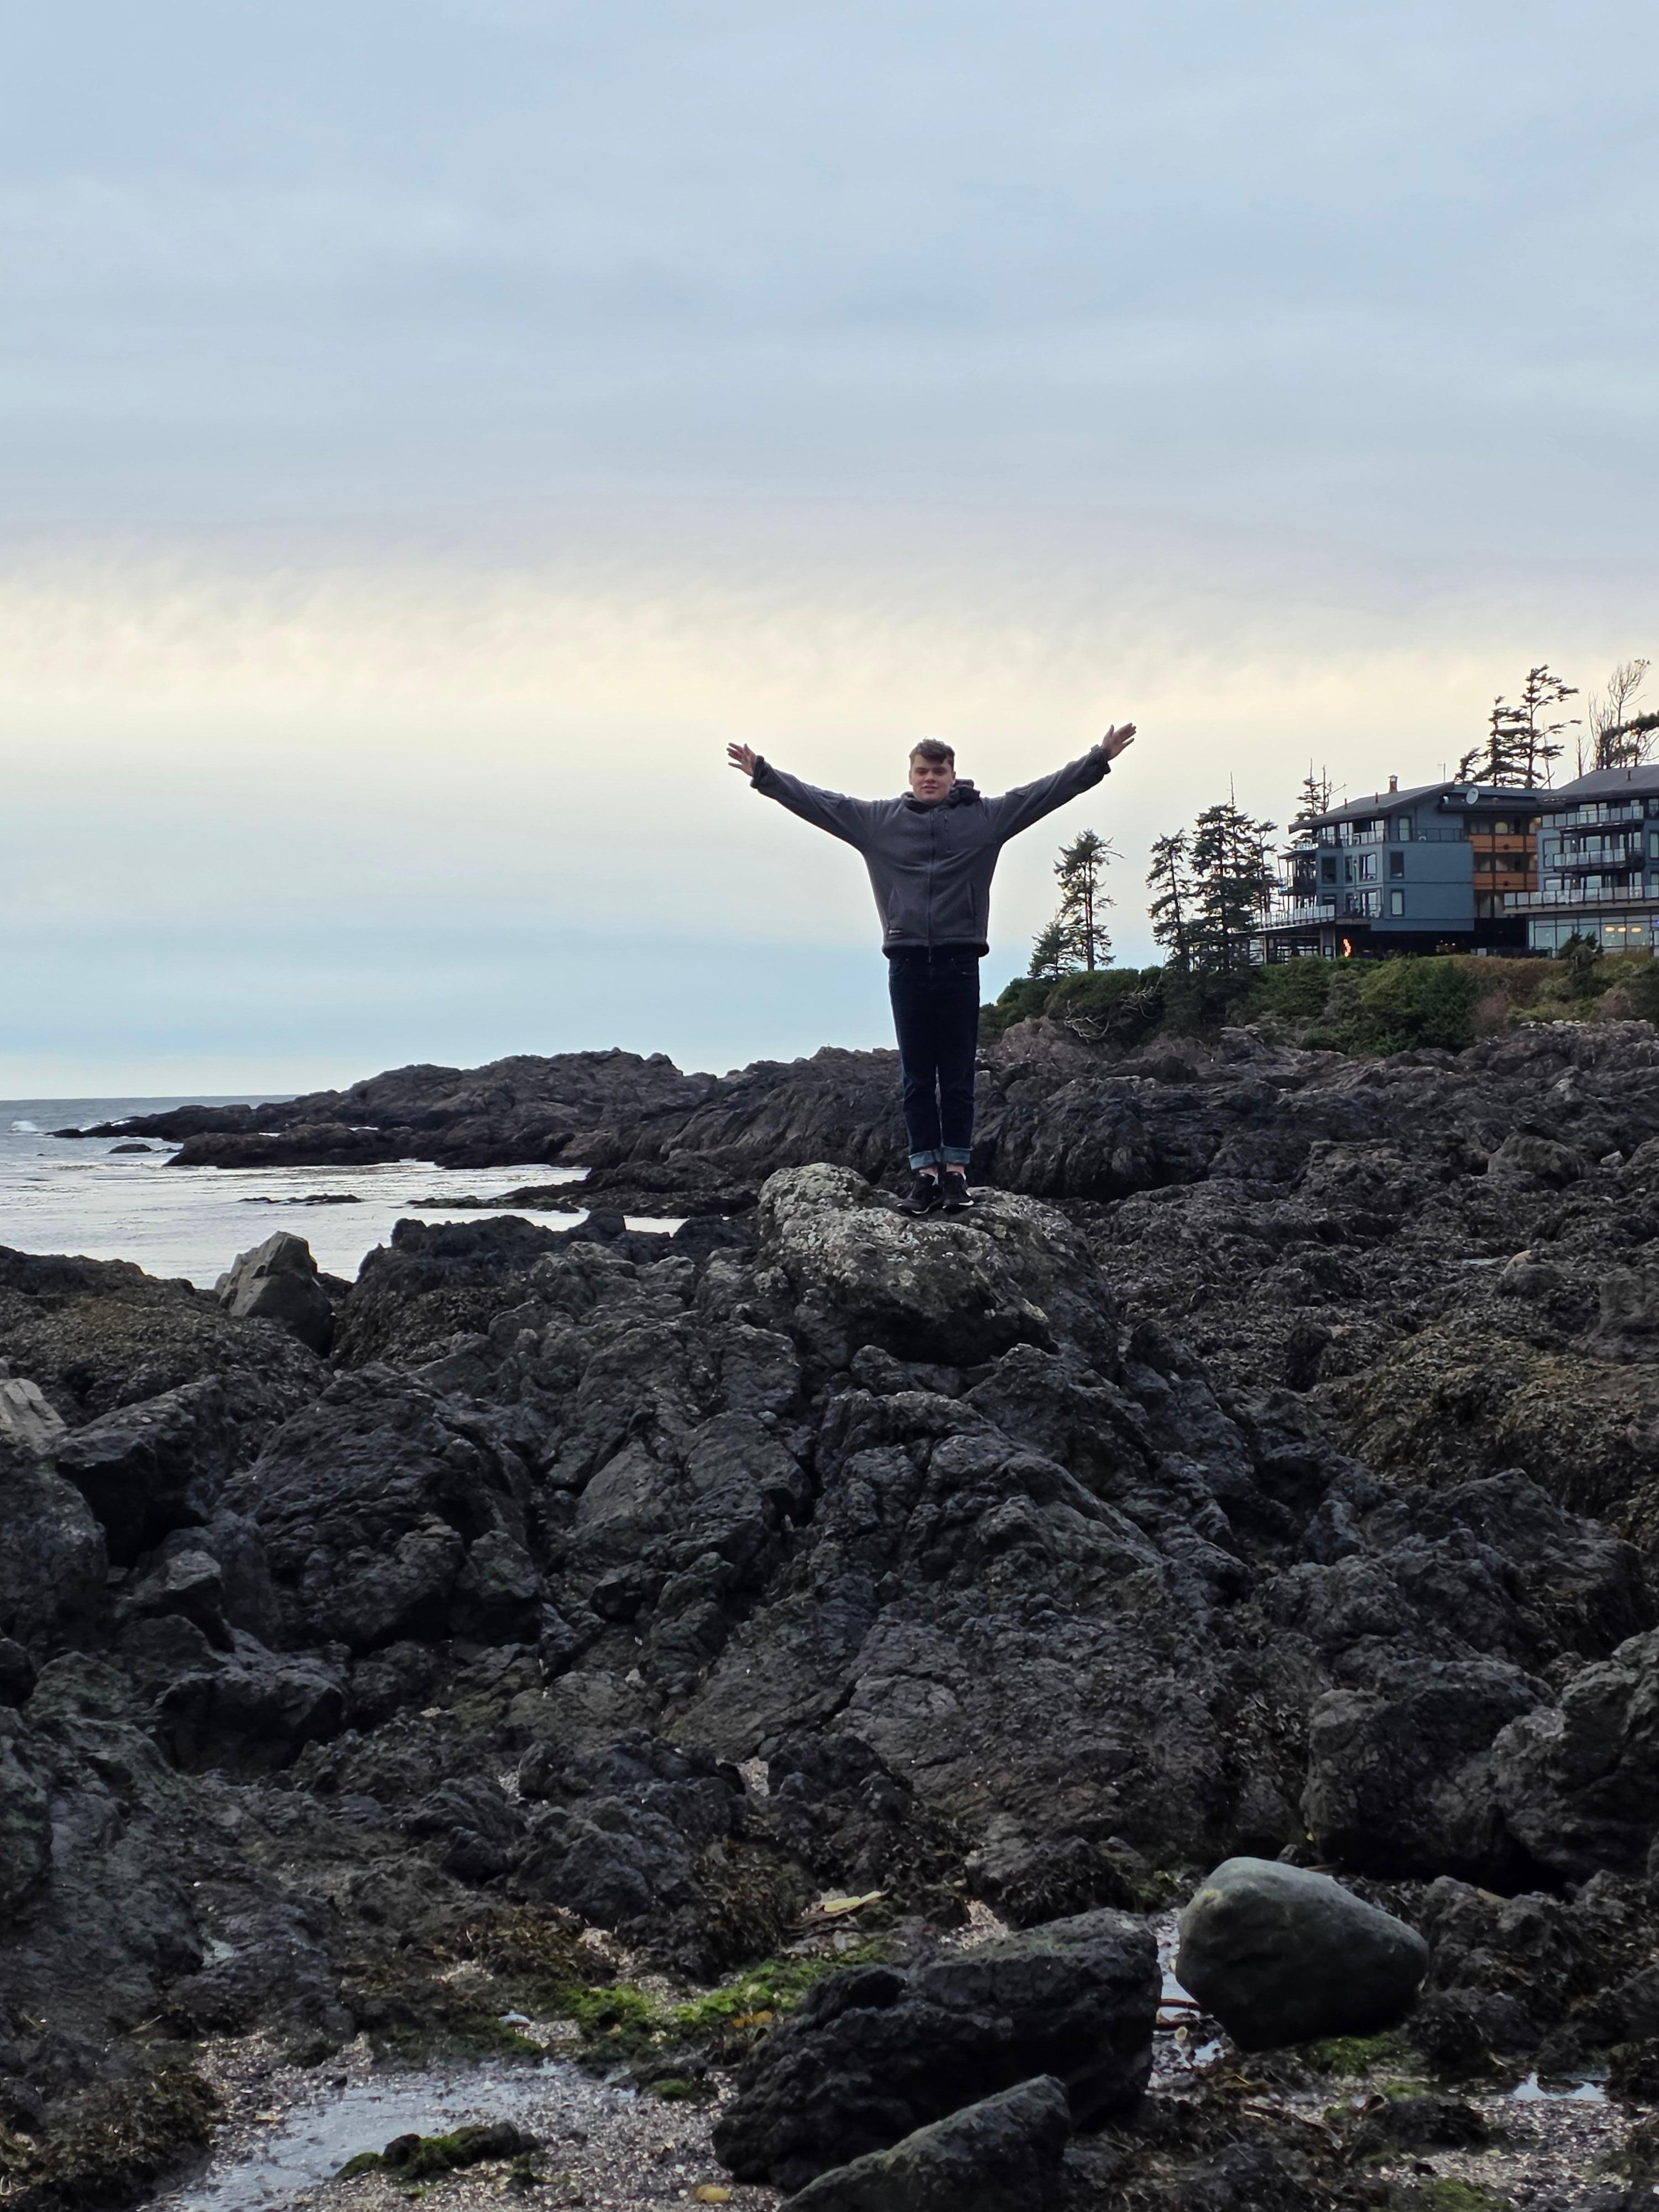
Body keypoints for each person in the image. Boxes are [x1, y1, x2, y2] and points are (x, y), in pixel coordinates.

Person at [727, 724, 1136, 1213]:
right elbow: (822, 804)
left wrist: (1098, 759)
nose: (930, 779)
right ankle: (924, 1175)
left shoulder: (984, 819)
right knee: (918, 1077)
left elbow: (1044, 794)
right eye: (922, 771)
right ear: (911, 774)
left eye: (939, 772)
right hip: (906, 962)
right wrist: (765, 775)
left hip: (960, 961)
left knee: (958, 1074)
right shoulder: (878, 822)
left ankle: (957, 1175)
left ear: (952, 775)